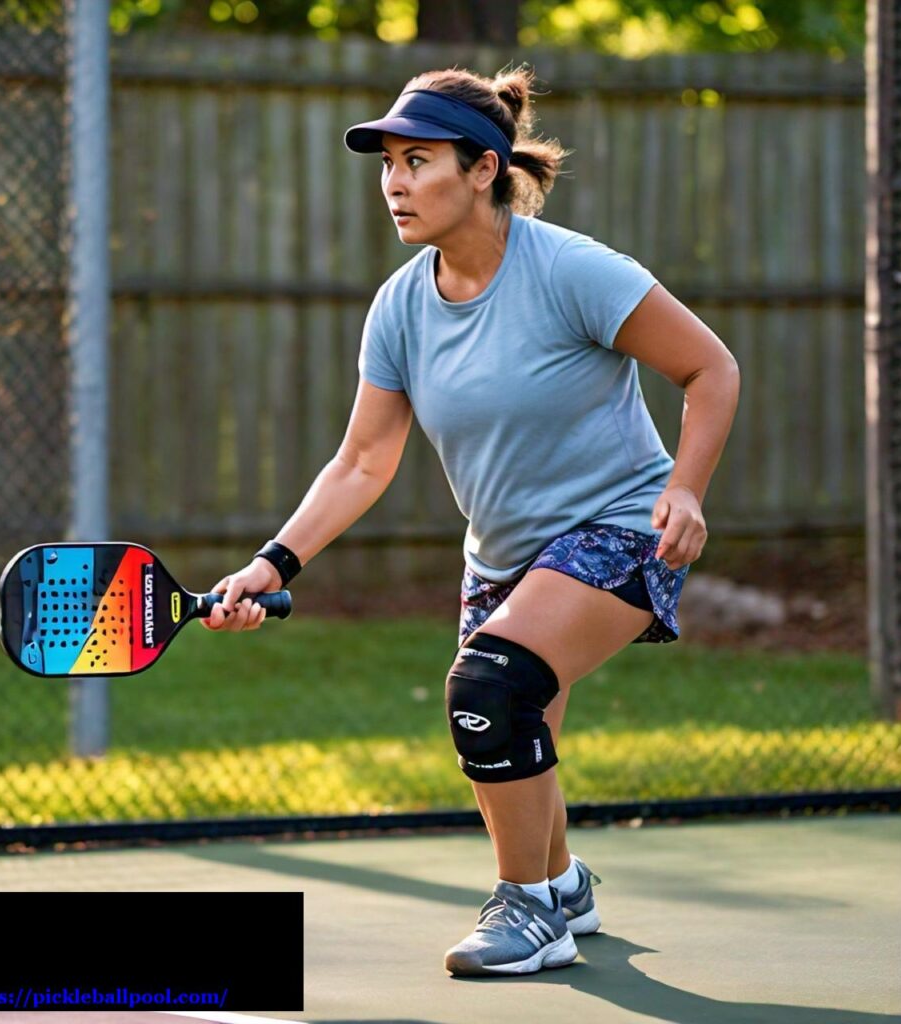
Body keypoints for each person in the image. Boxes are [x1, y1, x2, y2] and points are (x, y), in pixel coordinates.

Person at [201, 65, 740, 978]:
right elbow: (363, 461)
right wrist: (273, 563)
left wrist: (686, 489)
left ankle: (529, 911)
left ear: (483, 169)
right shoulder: (402, 304)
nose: (396, 183)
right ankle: (562, 883)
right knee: (511, 736)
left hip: (617, 526)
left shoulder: (573, 270)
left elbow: (710, 368)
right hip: (502, 555)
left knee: (488, 688)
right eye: (389, 166)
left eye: (419, 161)